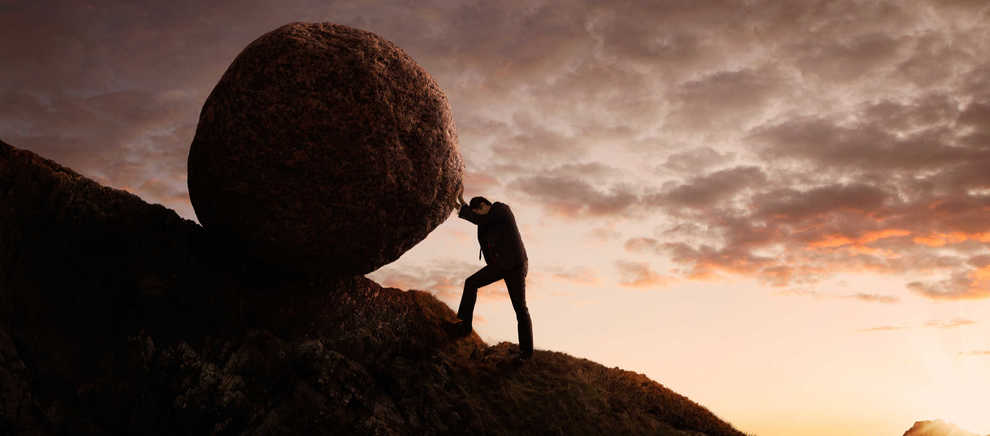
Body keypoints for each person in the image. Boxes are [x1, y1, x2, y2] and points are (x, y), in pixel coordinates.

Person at [449, 185, 533, 360]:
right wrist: (461, 204)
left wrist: (460, 203)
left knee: (520, 308)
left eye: (478, 212)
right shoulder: (485, 220)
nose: (478, 216)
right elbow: (477, 220)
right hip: (500, 265)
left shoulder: (501, 210)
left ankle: (526, 352)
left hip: (516, 266)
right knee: (471, 283)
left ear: (485, 205)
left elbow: (477, 219)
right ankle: (464, 326)